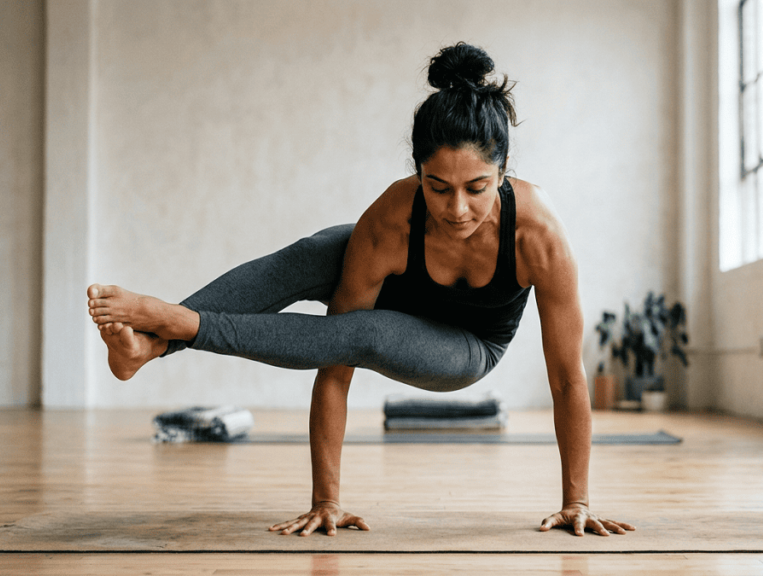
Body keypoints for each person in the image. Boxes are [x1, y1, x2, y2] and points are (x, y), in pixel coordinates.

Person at [87, 42, 635, 539]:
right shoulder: (393, 216)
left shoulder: (538, 235)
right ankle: (152, 345)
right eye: (437, 187)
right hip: (387, 302)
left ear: (504, 171)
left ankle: (183, 325)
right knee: (321, 249)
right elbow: (335, 362)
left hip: (465, 347)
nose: (457, 209)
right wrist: (326, 500)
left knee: (366, 332)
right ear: (418, 172)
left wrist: (576, 501)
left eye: (477, 188)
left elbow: (566, 378)